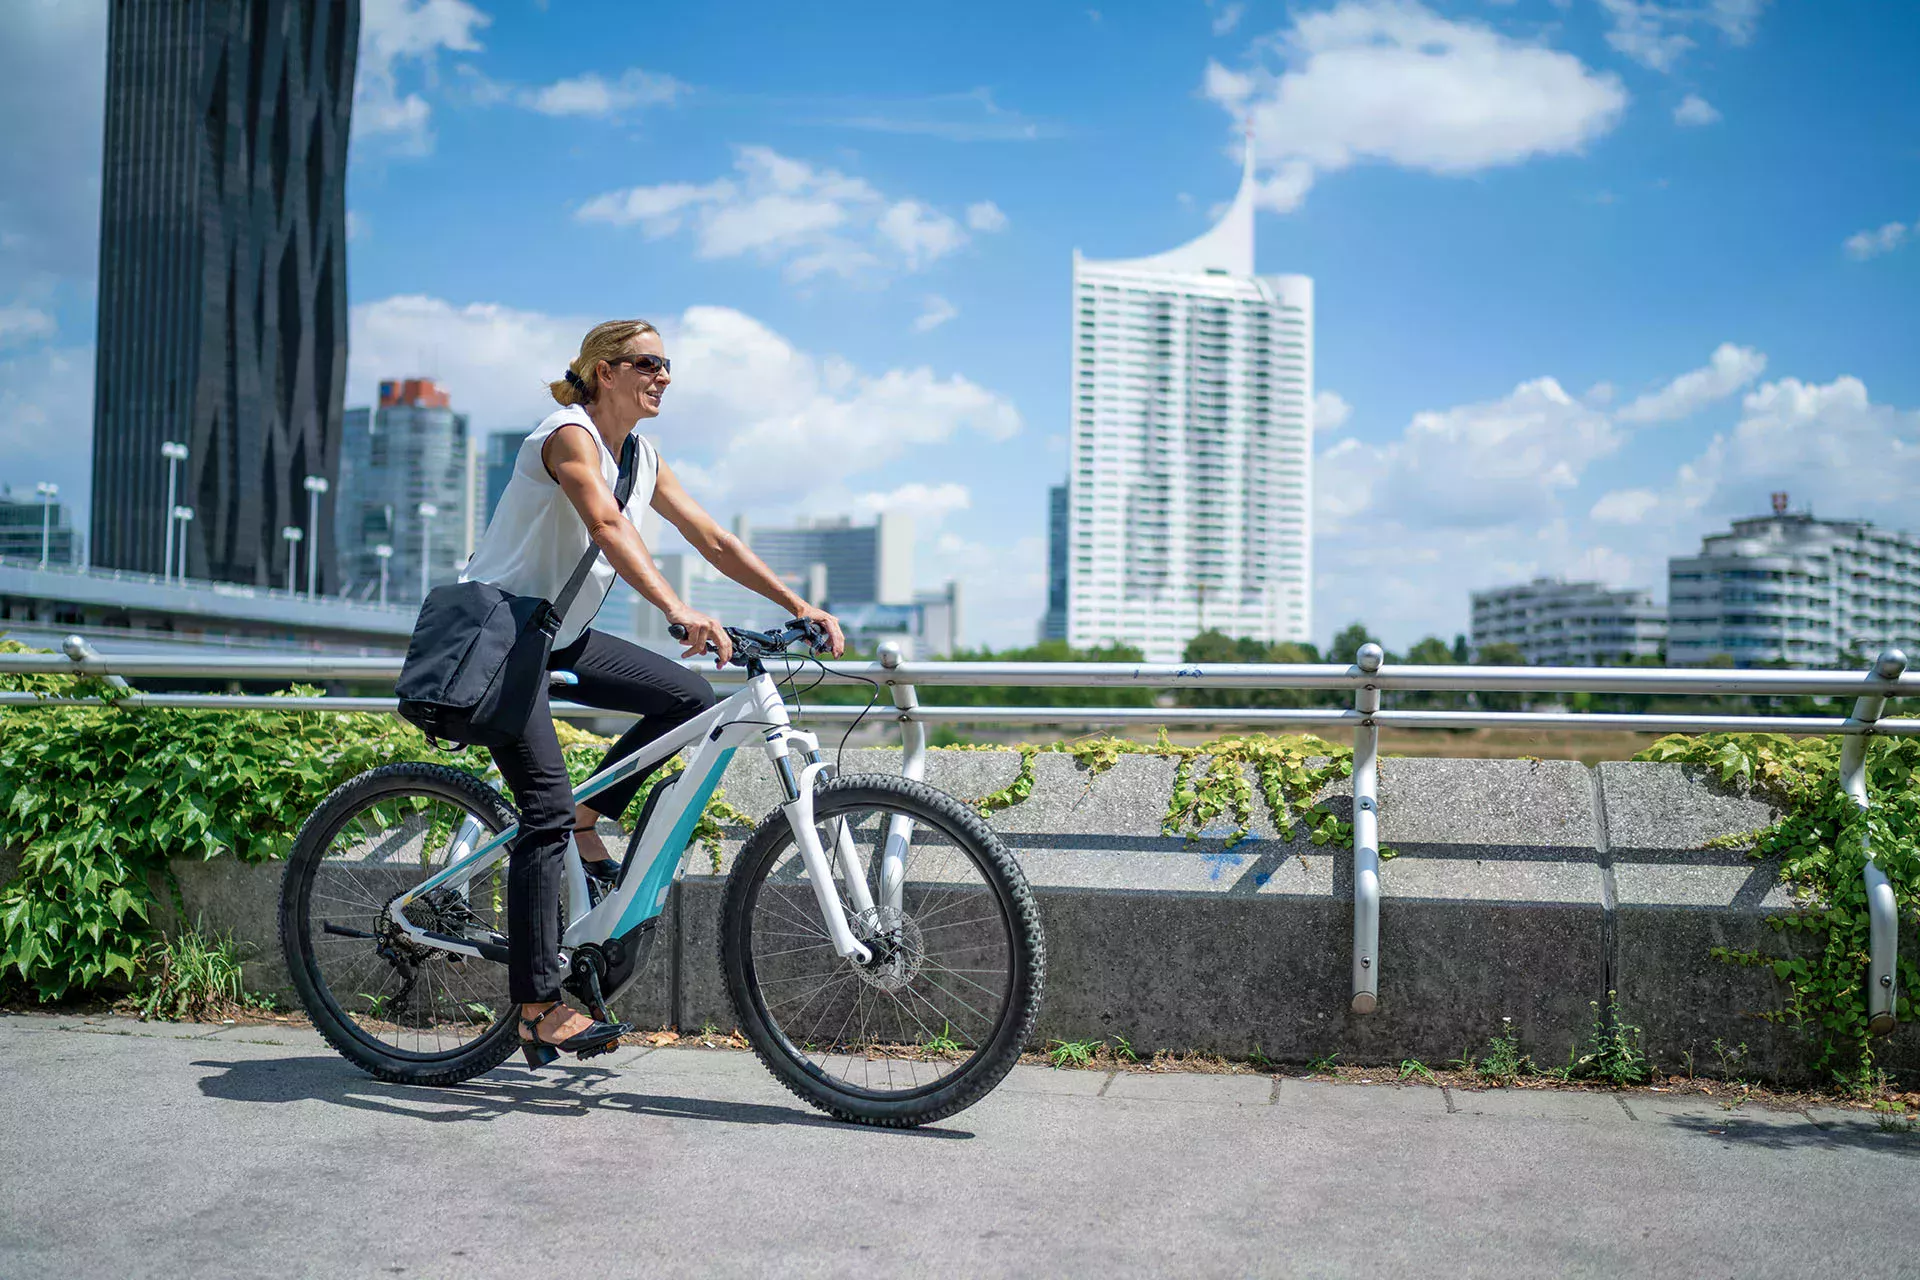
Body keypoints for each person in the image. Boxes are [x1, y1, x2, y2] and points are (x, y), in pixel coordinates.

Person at [461, 318, 846, 1060]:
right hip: (500, 635)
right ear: (606, 370)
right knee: (537, 814)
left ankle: (588, 814)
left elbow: (715, 540)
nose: (664, 376)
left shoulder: (641, 457)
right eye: (650, 363)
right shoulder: (566, 434)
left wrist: (797, 606)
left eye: (669, 366)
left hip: (557, 634)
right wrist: (676, 608)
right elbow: (604, 524)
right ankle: (538, 1005)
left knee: (691, 701)